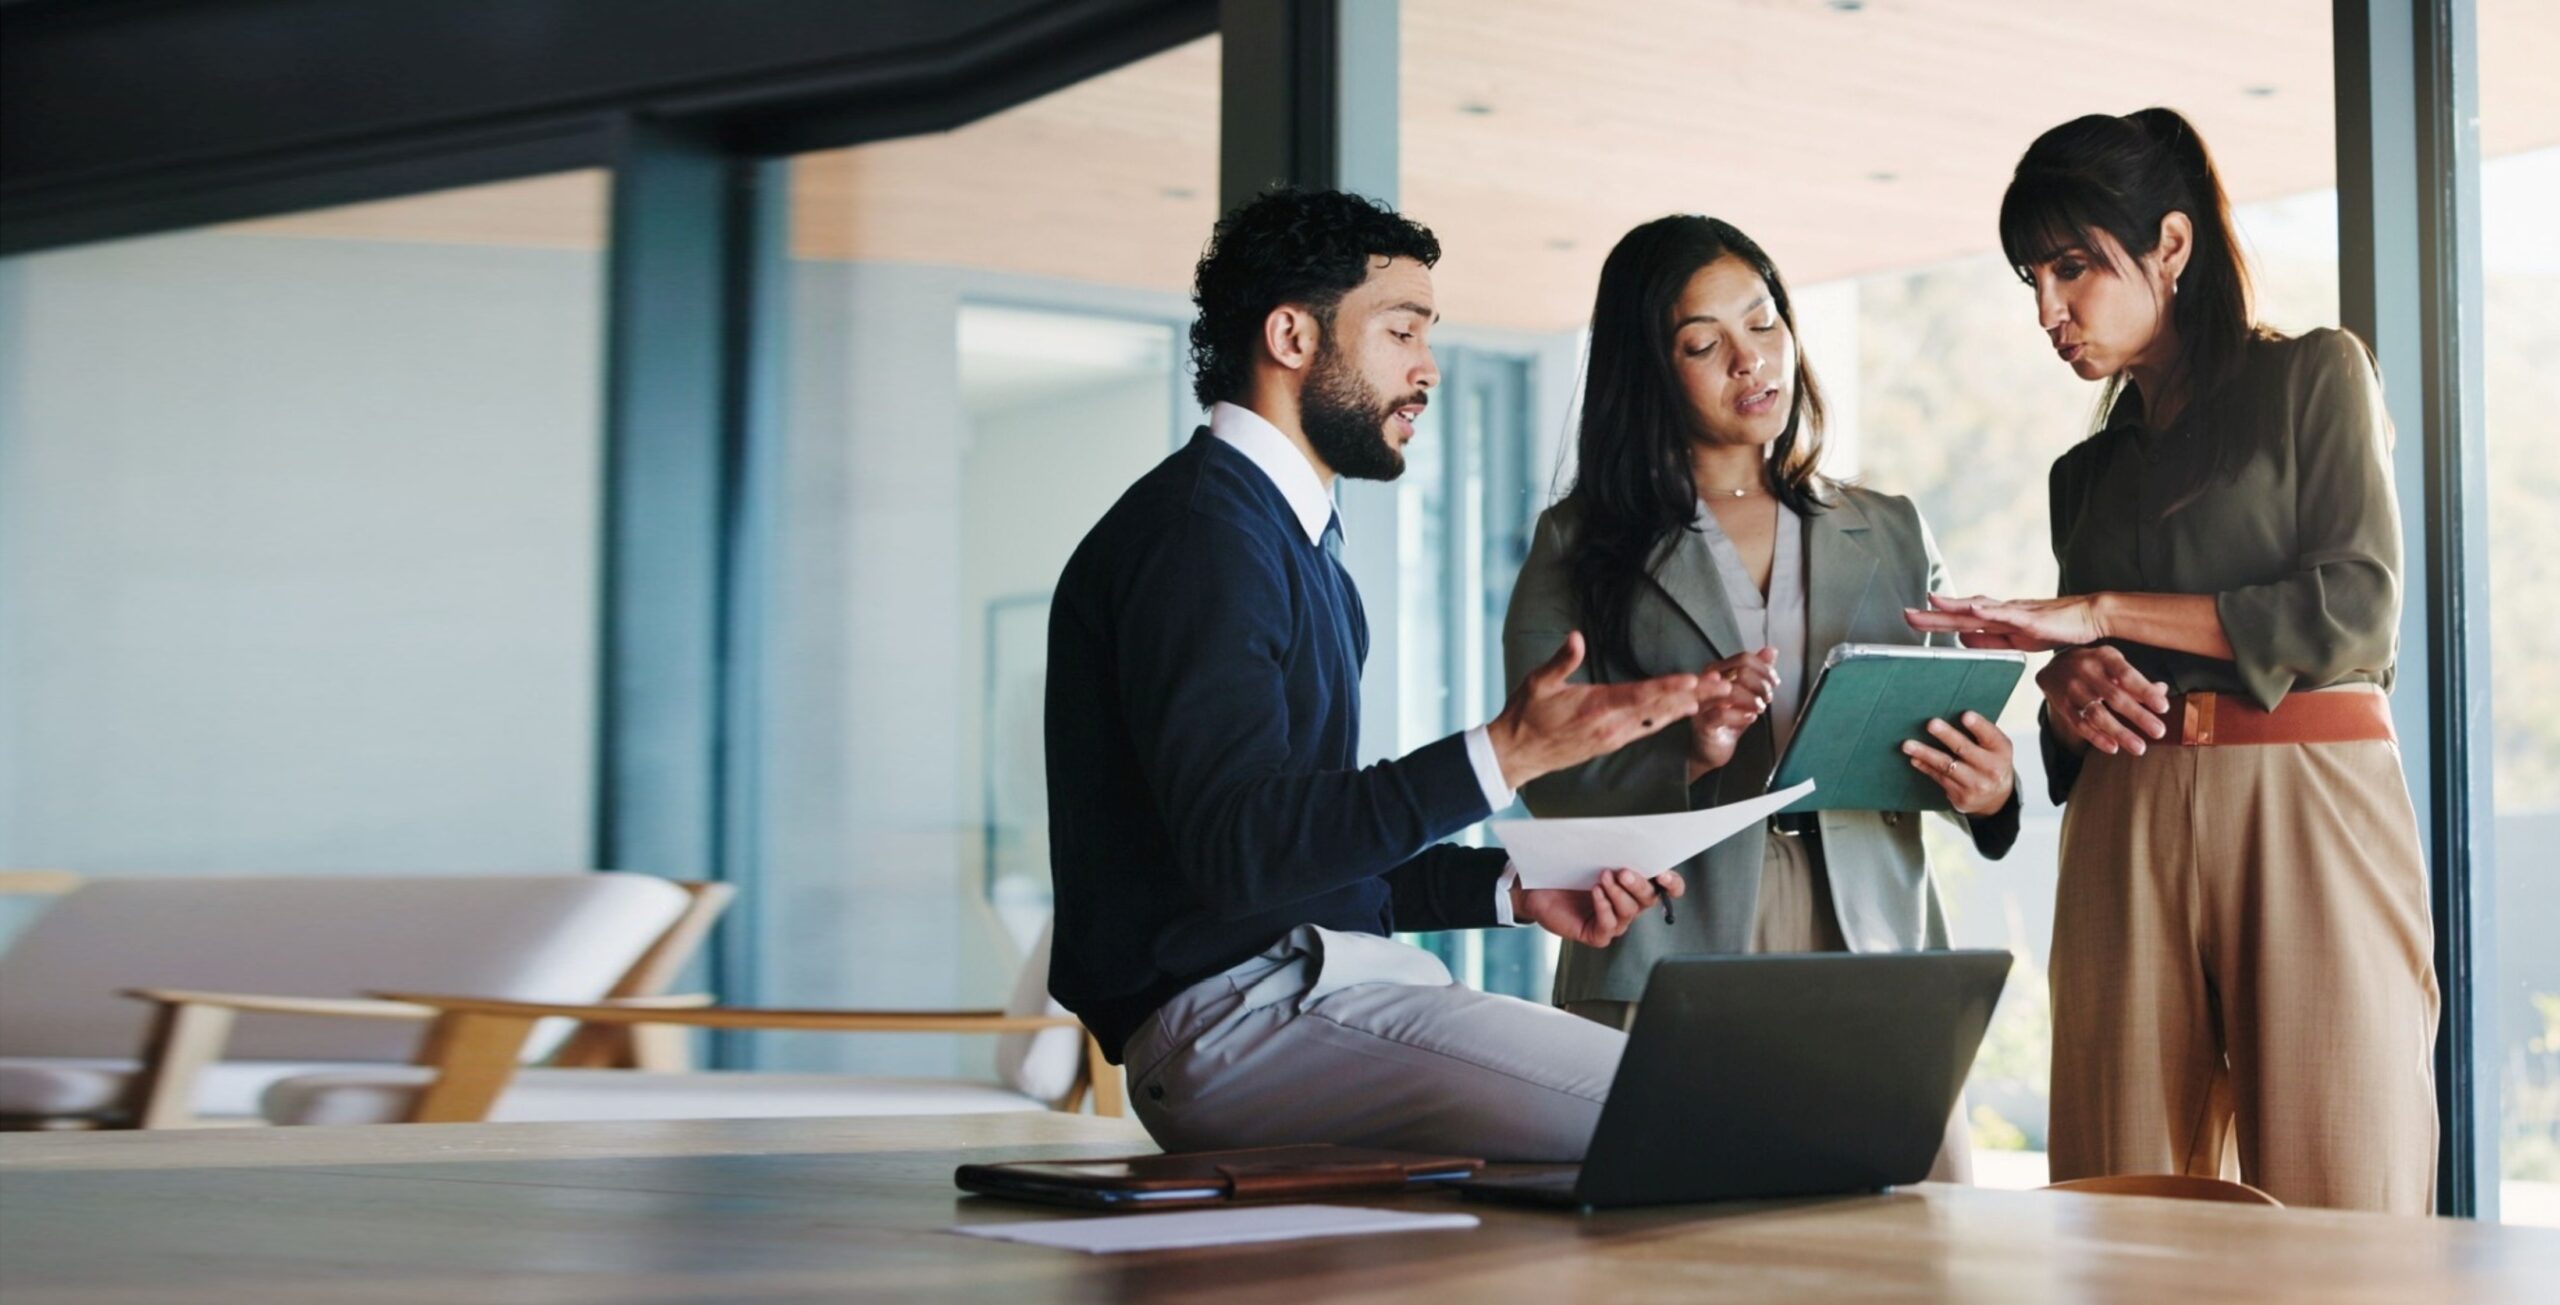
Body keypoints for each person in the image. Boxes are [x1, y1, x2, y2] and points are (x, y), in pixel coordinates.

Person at [1044, 188, 1707, 1162]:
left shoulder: (1291, 546)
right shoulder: (1200, 540)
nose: (1426, 370)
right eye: (1401, 331)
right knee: (1706, 1113)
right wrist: (1503, 754)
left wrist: (1510, 890)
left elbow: (1301, 854)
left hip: (1321, 988)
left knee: (1700, 1109)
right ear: (1290, 337)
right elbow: (1243, 852)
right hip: (1234, 1023)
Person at [1904, 108, 2438, 1213]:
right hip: (2125, 825)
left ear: (2172, 247)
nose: (2048, 310)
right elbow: (2078, 730)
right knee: (2116, 1196)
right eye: (2029, 282)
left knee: (2346, 1190)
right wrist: (2065, 690)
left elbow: (2357, 611)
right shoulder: (2081, 477)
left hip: (2306, 804)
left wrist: (2098, 613)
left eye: (2071, 268)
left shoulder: (2316, 378)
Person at [1502, 215, 2021, 1182]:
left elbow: (1948, 732)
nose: (1752, 361)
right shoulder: (1581, 545)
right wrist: (1688, 752)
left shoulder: (1893, 528)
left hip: (1867, 931)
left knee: (1907, 1257)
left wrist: (1990, 790)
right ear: (1649, 370)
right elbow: (1538, 766)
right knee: (1683, 1256)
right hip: (1672, 936)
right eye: (1706, 344)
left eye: (1765, 323)